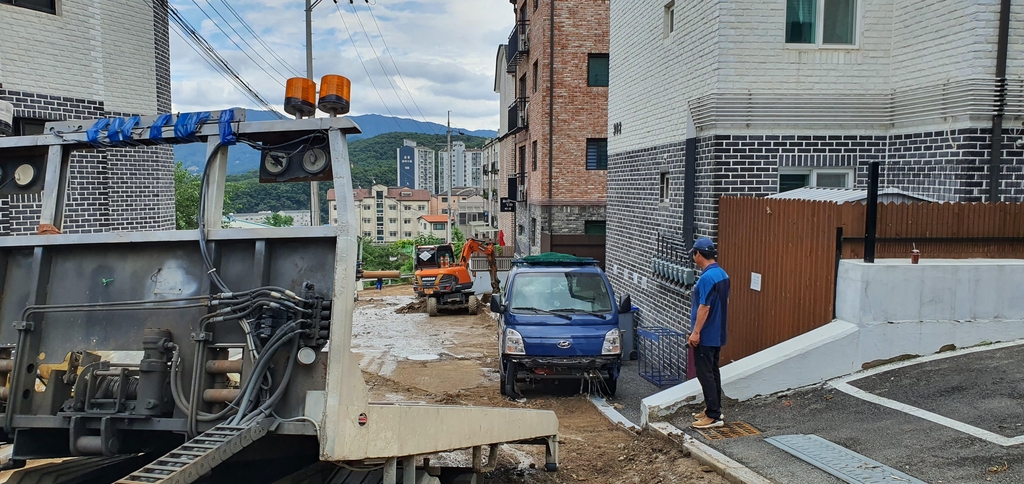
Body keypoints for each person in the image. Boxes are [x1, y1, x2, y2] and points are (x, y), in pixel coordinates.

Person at [687, 237, 730, 429]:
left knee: (705, 373)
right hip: (718, 332)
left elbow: (704, 308)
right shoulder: (722, 274)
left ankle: (713, 415)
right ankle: (714, 408)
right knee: (713, 371)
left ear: (698, 254)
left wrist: (695, 333)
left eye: (694, 254)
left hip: (706, 334)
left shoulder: (705, 278)